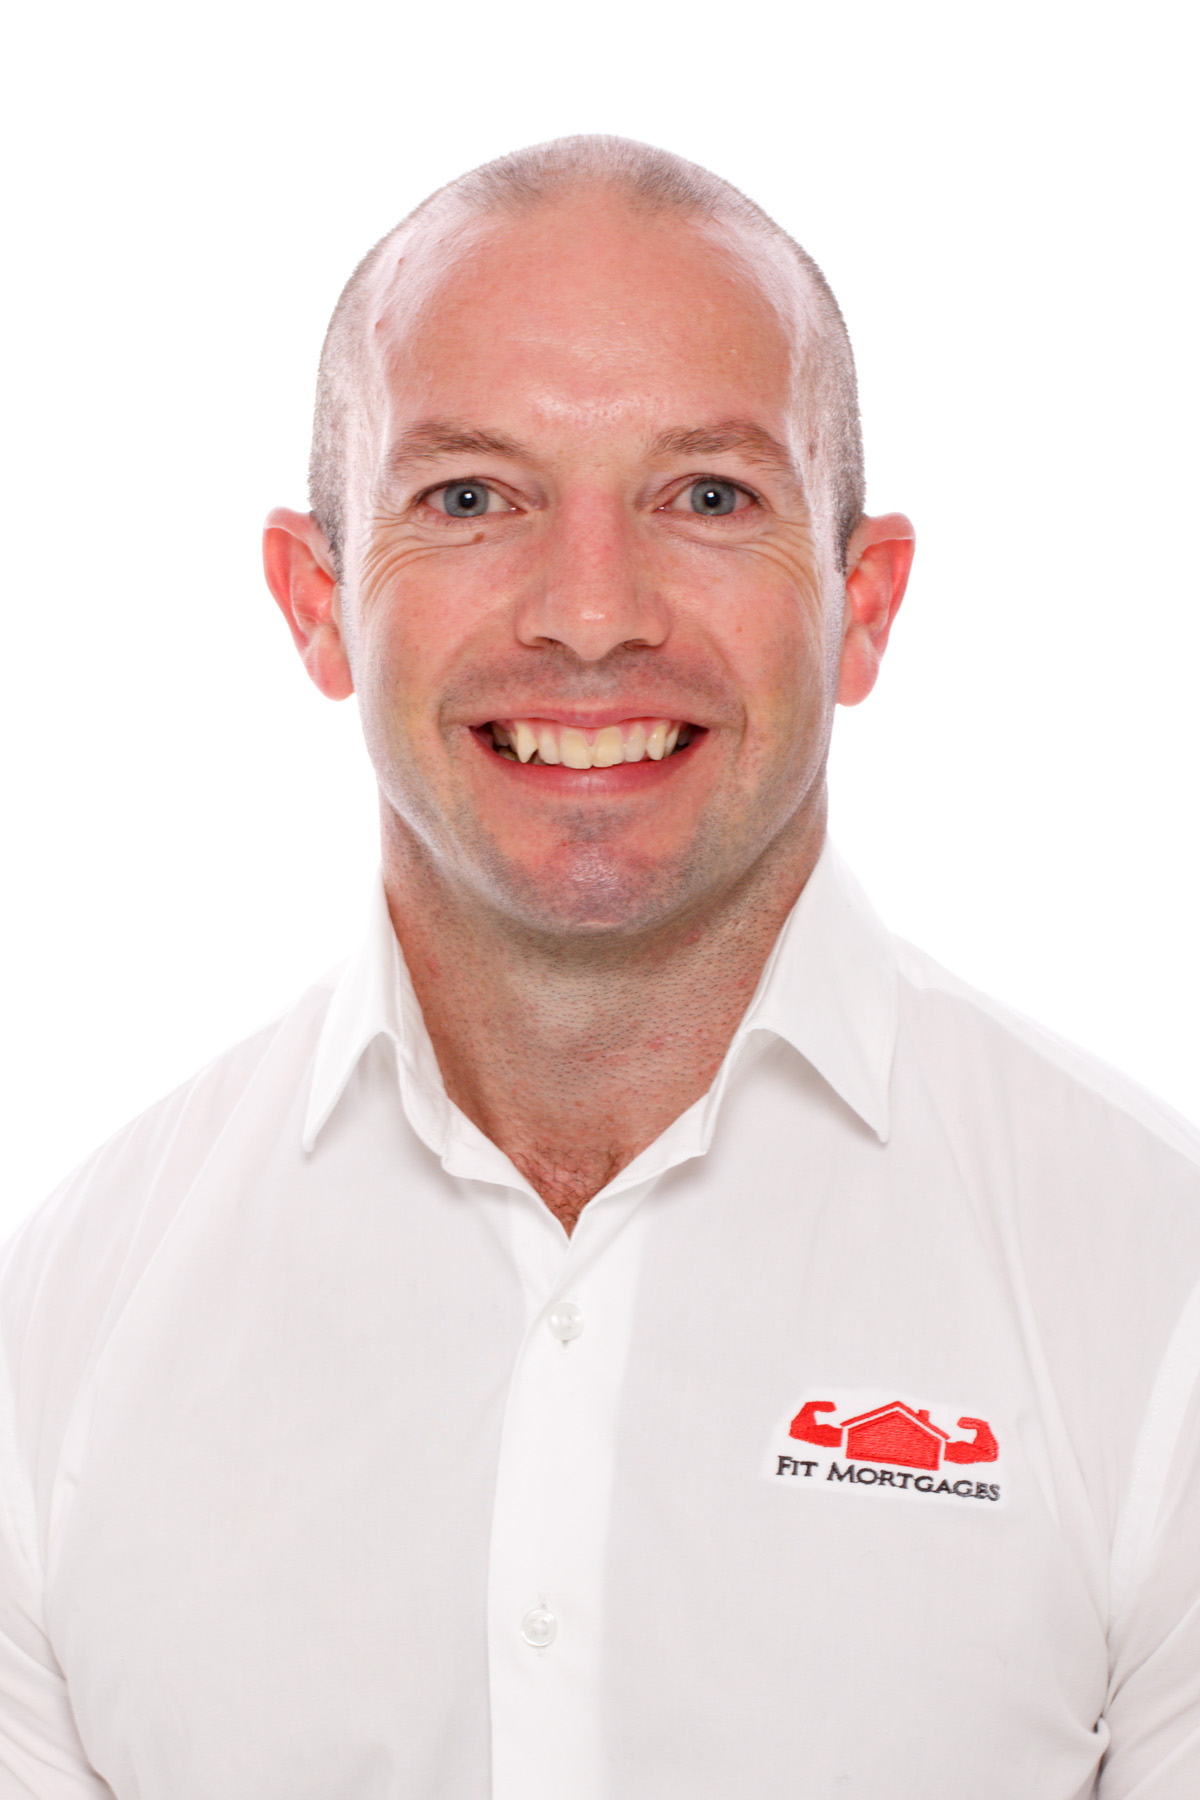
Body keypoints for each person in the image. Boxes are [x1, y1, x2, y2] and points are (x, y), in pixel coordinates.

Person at [1, 135, 1197, 1800]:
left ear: (861, 605)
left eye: (705, 495)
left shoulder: (1158, 1293)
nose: (588, 613)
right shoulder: (55, 1339)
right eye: (470, 498)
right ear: (316, 600)